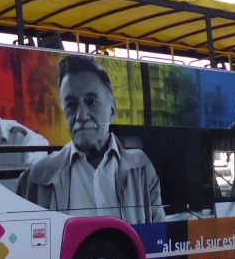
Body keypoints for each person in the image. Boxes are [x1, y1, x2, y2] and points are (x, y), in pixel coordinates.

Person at [16, 55, 164, 224]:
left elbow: (157, 234)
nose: (81, 116)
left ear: (112, 110)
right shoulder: (36, 178)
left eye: (91, 101)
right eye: (71, 105)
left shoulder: (141, 168)